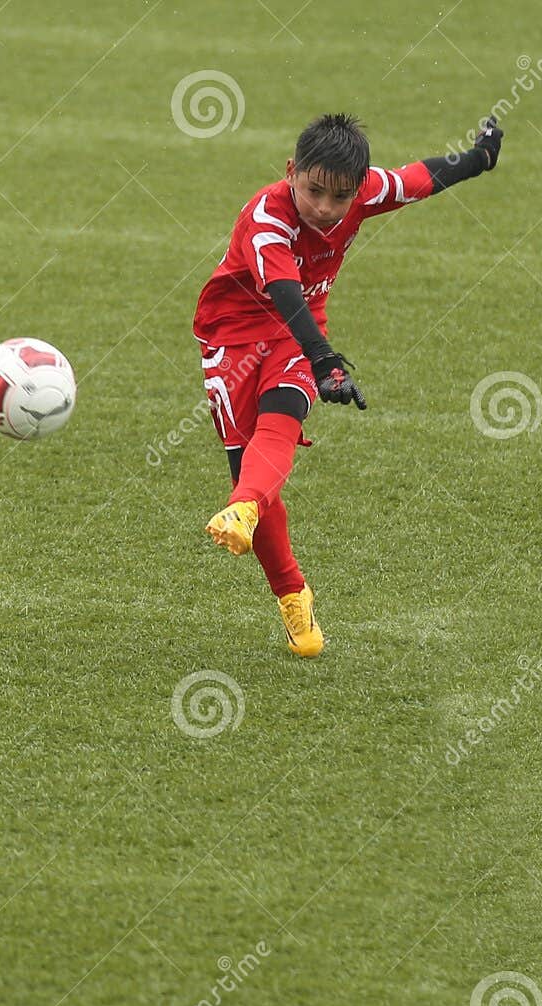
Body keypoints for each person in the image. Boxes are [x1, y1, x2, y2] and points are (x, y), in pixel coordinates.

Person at [195, 113, 503, 656]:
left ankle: (243, 506)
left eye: (340, 198)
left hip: (299, 335)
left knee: (282, 421)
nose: (324, 208)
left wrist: (478, 159)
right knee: (249, 465)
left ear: (357, 189)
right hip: (234, 337)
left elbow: (417, 179)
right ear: (292, 173)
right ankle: (292, 592)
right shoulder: (268, 215)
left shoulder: (361, 193)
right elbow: (285, 289)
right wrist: (324, 359)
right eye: (313, 191)